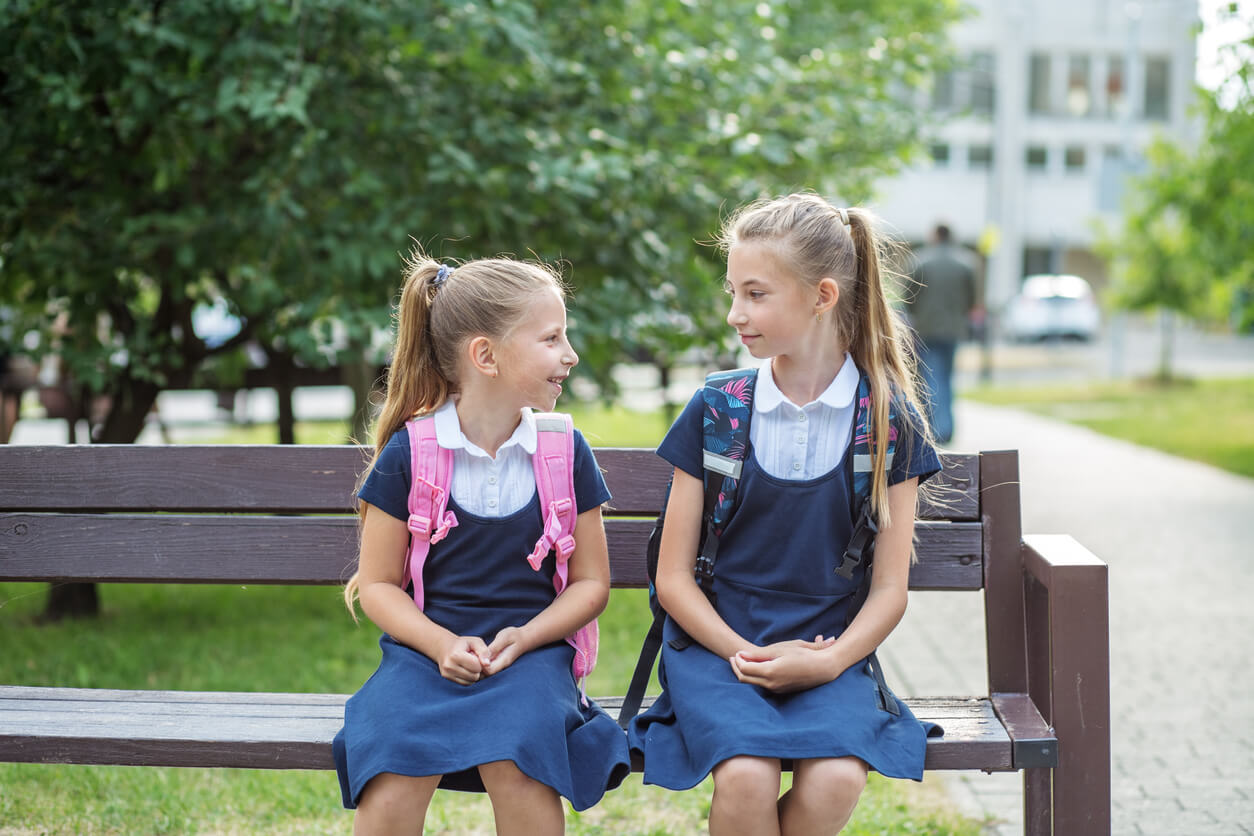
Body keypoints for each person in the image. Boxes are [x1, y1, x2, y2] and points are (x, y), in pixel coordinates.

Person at [628, 193, 943, 835]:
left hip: (828, 648)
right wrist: (745, 654)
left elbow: (888, 590)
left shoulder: (886, 423)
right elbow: (673, 580)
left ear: (822, 296)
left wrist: (829, 662)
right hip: (719, 649)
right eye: (733, 292)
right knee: (745, 775)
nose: (734, 313)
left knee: (836, 779)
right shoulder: (718, 410)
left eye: (755, 294)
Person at [334, 251, 630, 835]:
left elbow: (593, 582)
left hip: (534, 657)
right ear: (485, 356)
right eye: (551, 338)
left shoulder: (563, 453)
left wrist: (528, 636)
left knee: (519, 759)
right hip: (425, 657)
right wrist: (442, 644)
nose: (569, 354)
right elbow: (378, 588)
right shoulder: (412, 455)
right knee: (393, 766)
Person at [904, 223, 980, 444]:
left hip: (926, 328)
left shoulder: (921, 260)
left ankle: (938, 428)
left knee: (930, 377)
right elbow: (972, 299)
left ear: (936, 235)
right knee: (947, 377)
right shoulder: (966, 263)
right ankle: (946, 427)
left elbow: (909, 297)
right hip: (954, 329)